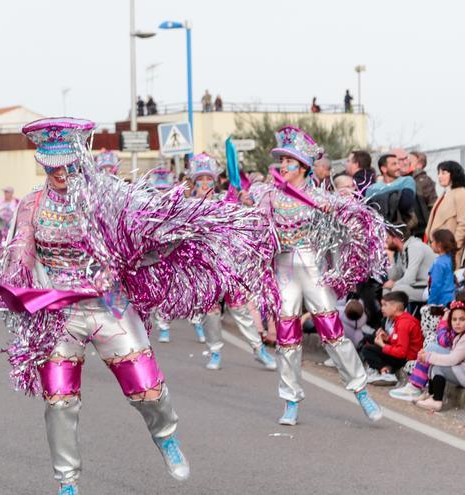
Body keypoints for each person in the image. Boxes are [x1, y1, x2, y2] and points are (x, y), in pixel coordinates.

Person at [0, 117, 275, 493]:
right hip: (58, 312)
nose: (59, 172)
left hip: (109, 303)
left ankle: (166, 437)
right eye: (51, 165)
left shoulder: (108, 195)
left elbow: (147, 232)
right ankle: (67, 483)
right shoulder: (32, 204)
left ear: (79, 160)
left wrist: (181, 234)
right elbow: (19, 258)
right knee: (59, 401)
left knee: (145, 387)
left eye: (65, 163)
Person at [245, 126, 386, 425]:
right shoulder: (269, 197)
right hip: (283, 271)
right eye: (281, 160)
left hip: (312, 269)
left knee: (333, 334)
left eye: (289, 161)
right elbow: (255, 230)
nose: (283, 166)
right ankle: (290, 400)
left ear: (304, 167)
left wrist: (339, 216)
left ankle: (361, 392)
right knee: (286, 338)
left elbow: (355, 222)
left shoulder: (322, 198)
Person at [183, 153, 276, 371]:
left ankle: (258, 349)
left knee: (241, 308)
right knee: (212, 312)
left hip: (230, 265)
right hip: (205, 268)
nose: (205, 184)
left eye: (209, 179)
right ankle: (215, 351)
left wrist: (246, 203)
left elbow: (248, 220)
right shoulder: (188, 207)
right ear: (194, 182)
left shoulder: (226, 201)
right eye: (200, 180)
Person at [362, 291, 423, 385]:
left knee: (367, 349)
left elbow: (401, 352)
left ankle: (386, 373)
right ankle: (384, 370)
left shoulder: (404, 323)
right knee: (370, 339)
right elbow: (398, 341)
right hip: (404, 355)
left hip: (407, 359)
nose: (382, 308)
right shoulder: (400, 319)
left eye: (385, 305)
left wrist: (383, 345)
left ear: (395, 307)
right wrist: (388, 339)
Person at [414, 300, 465, 411]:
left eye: (462, 320)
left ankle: (437, 401)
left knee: (439, 367)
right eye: (454, 319)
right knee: (435, 365)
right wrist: (430, 357)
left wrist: (429, 356)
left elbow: (453, 359)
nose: (457, 323)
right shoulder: (459, 336)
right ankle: (431, 395)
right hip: (461, 371)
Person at [424, 160, 465, 263]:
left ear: (454, 174)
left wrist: (454, 246)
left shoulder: (460, 193)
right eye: (438, 173)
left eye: (443, 173)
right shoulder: (444, 194)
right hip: (436, 247)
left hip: (448, 250)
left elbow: (463, 223)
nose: (439, 176)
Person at [383, 226, 435, 303]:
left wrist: (394, 284)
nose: (385, 241)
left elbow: (409, 279)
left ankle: (398, 314)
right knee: (387, 289)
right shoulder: (402, 251)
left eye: (387, 237)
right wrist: (391, 258)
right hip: (419, 285)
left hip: (431, 287)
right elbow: (394, 277)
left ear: (396, 238)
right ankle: (390, 314)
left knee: (396, 290)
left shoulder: (415, 247)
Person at [364, 154, 417, 227]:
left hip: (402, 228)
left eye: (398, 163)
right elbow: (369, 212)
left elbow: (405, 204)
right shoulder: (371, 189)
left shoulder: (407, 181)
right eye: (394, 164)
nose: (398, 167)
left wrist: (380, 197)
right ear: (384, 169)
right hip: (378, 229)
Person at [427, 229, 457, 307]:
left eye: (432, 241)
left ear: (439, 244)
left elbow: (436, 285)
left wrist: (430, 303)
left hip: (441, 302)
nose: (431, 244)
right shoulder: (449, 259)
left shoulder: (439, 263)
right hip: (451, 299)